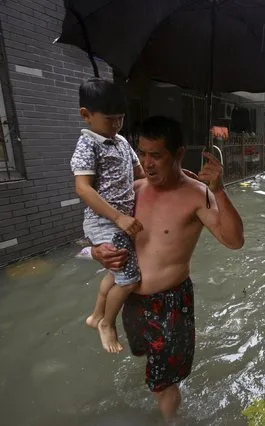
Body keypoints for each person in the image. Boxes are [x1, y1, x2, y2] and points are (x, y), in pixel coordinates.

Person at [90, 116, 244, 419]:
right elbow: (102, 233)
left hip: (172, 304)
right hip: (131, 297)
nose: (147, 163)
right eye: (142, 154)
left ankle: (171, 421)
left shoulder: (198, 194)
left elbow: (234, 240)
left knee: (163, 383)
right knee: (145, 357)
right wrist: (98, 252)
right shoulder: (132, 191)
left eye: (157, 155)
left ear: (178, 154)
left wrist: (219, 190)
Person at [70, 78, 145, 354]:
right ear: (86, 115)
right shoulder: (87, 145)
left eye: (121, 118)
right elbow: (83, 188)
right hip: (104, 222)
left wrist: (178, 176)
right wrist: (118, 218)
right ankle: (107, 323)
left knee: (115, 274)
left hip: (120, 221)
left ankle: (95, 314)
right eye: (110, 119)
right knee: (130, 279)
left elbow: (141, 176)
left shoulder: (122, 141)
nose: (116, 124)